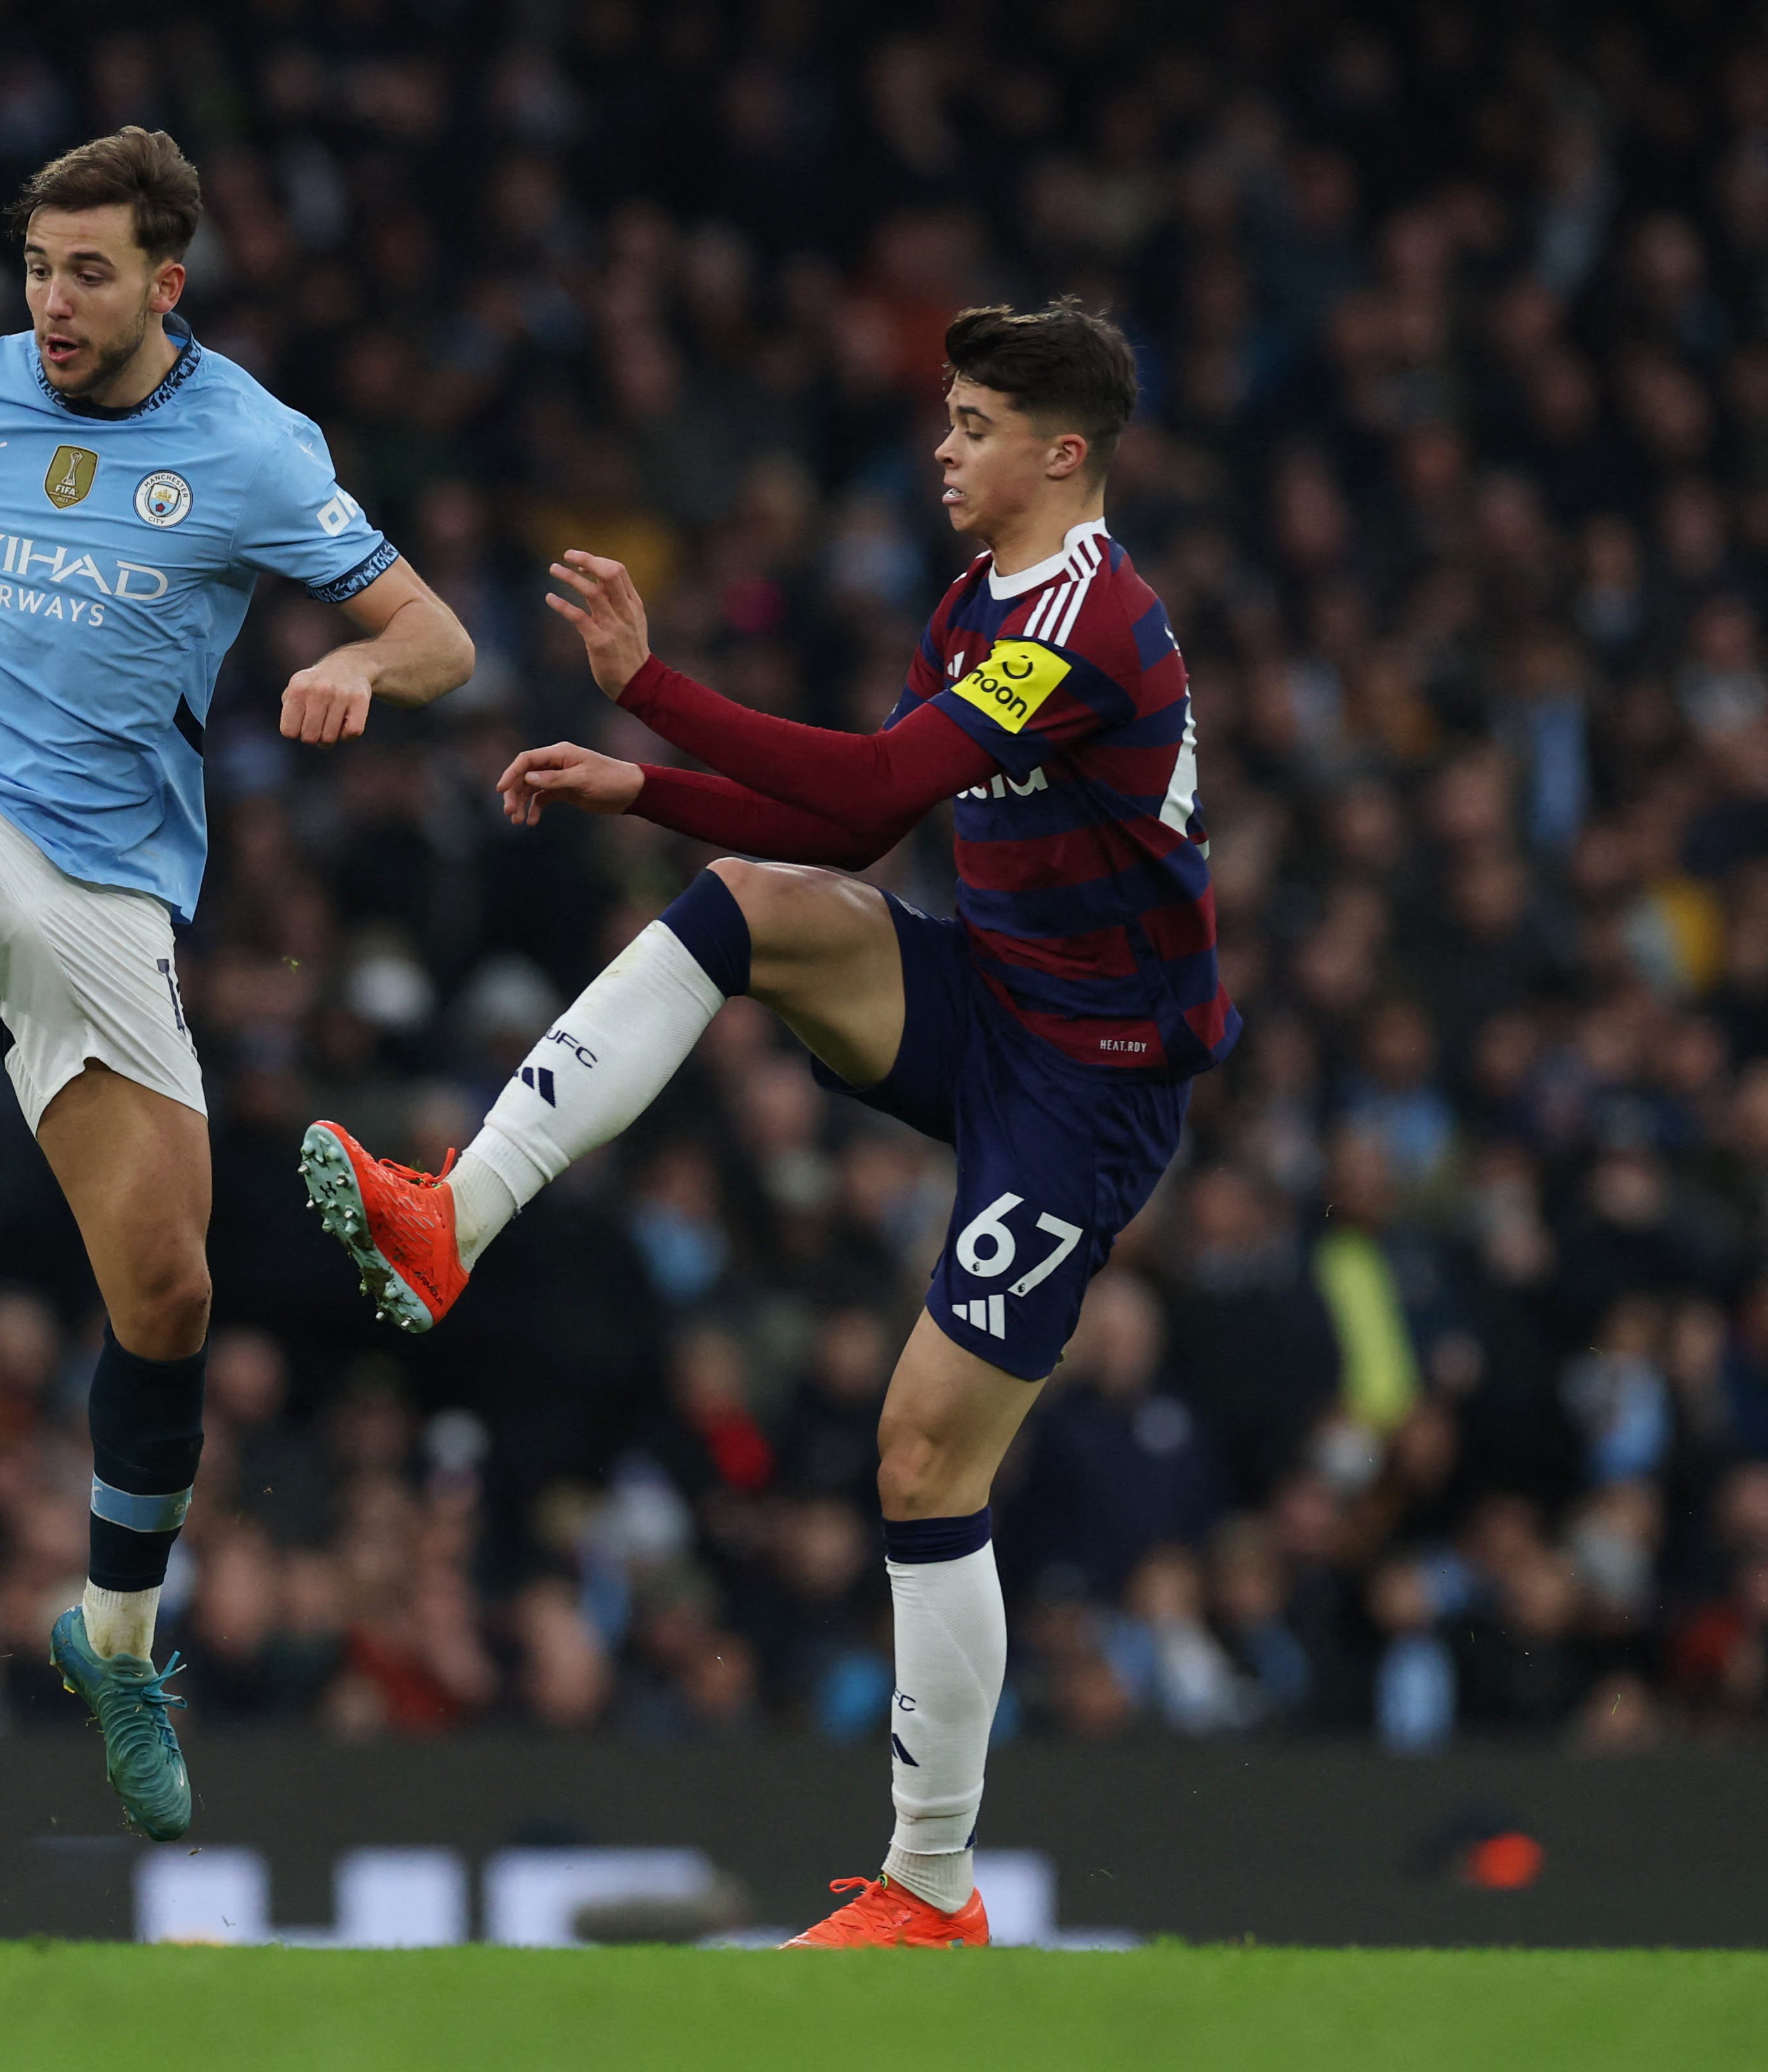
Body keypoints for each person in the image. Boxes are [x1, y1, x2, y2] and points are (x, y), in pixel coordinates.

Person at [299, 301, 1232, 1946]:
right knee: (744, 905)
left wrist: (650, 688)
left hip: (1090, 1081)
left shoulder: (1089, 619)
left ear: (1059, 451)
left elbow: (872, 791)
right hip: (989, 996)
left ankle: (928, 1890)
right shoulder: (974, 607)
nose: (940, 450)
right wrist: (642, 785)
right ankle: (451, 1215)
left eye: (968, 424)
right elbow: (849, 836)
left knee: (920, 1454)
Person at [0, 127, 474, 1838]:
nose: (53, 304)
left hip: (105, 885)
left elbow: (441, 635)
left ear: (169, 280)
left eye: (90, 273)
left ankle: (116, 1633)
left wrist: (363, 670)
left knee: (167, 1294)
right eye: (36, 268)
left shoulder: (246, 447)